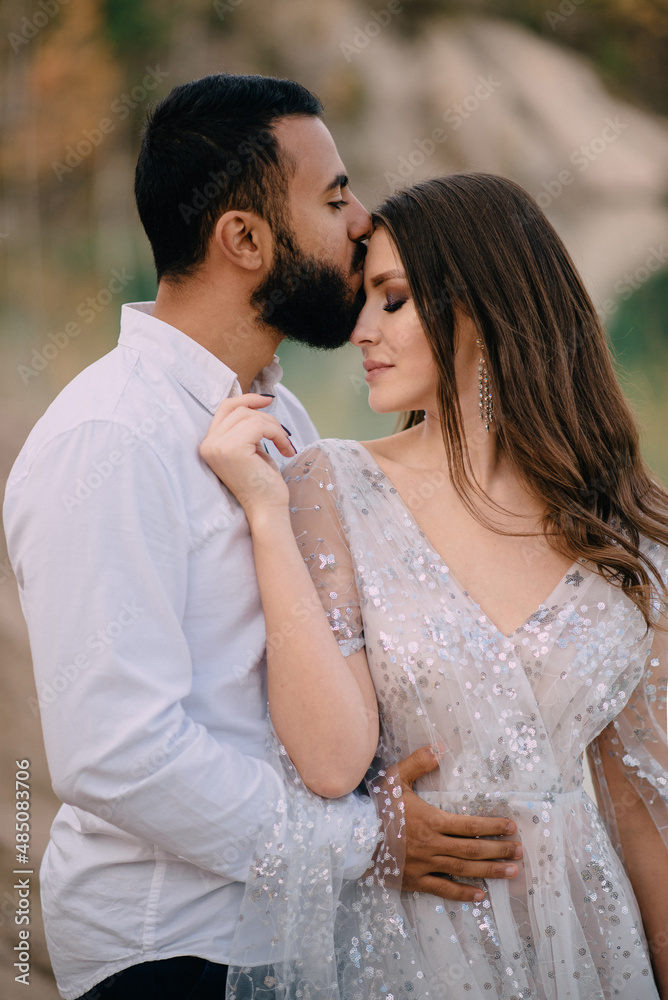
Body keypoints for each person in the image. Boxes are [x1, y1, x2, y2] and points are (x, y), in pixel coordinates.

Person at [3, 78, 520, 1000]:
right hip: (174, 954)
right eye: (333, 198)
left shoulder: (286, 420)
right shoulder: (109, 439)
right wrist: (365, 842)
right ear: (243, 238)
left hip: (292, 936)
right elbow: (118, 752)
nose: (363, 222)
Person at [200, 173, 668, 999]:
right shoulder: (329, 487)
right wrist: (268, 518)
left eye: (393, 300)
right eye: (363, 301)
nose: (361, 331)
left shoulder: (620, 522)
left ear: (481, 310)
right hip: (418, 944)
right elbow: (330, 760)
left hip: (592, 946)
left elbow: (636, 810)